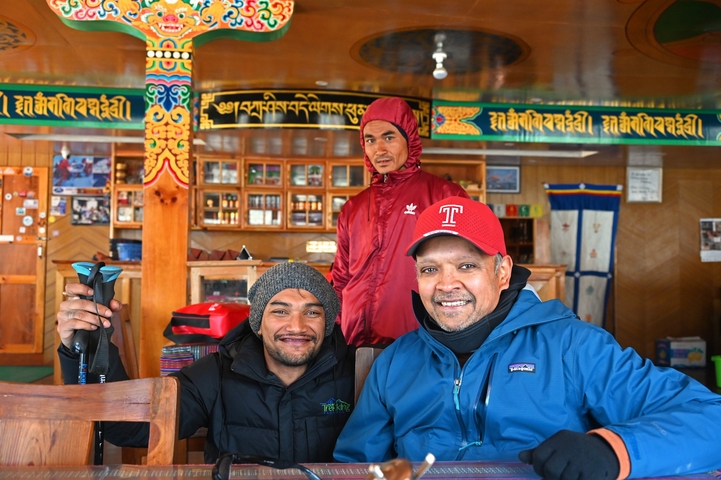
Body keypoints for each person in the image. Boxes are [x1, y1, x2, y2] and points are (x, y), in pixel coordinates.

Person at [334, 196, 721, 479]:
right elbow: (354, 468)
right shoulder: (394, 363)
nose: (446, 284)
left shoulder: (573, 347)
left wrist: (612, 449)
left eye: (466, 265)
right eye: (430, 268)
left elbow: (710, 420)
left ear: (502, 272)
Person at [57, 262, 355, 464]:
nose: (297, 326)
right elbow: (127, 428)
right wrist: (84, 348)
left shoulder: (358, 374)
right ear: (258, 324)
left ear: (327, 323)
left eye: (312, 313)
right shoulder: (216, 373)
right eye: (280, 311)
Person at [333, 96, 469, 346]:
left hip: (419, 342)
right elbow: (341, 278)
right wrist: (336, 329)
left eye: (389, 137)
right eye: (370, 140)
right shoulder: (353, 208)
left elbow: (467, 270)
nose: (379, 149)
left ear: (410, 140)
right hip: (353, 343)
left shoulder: (445, 196)